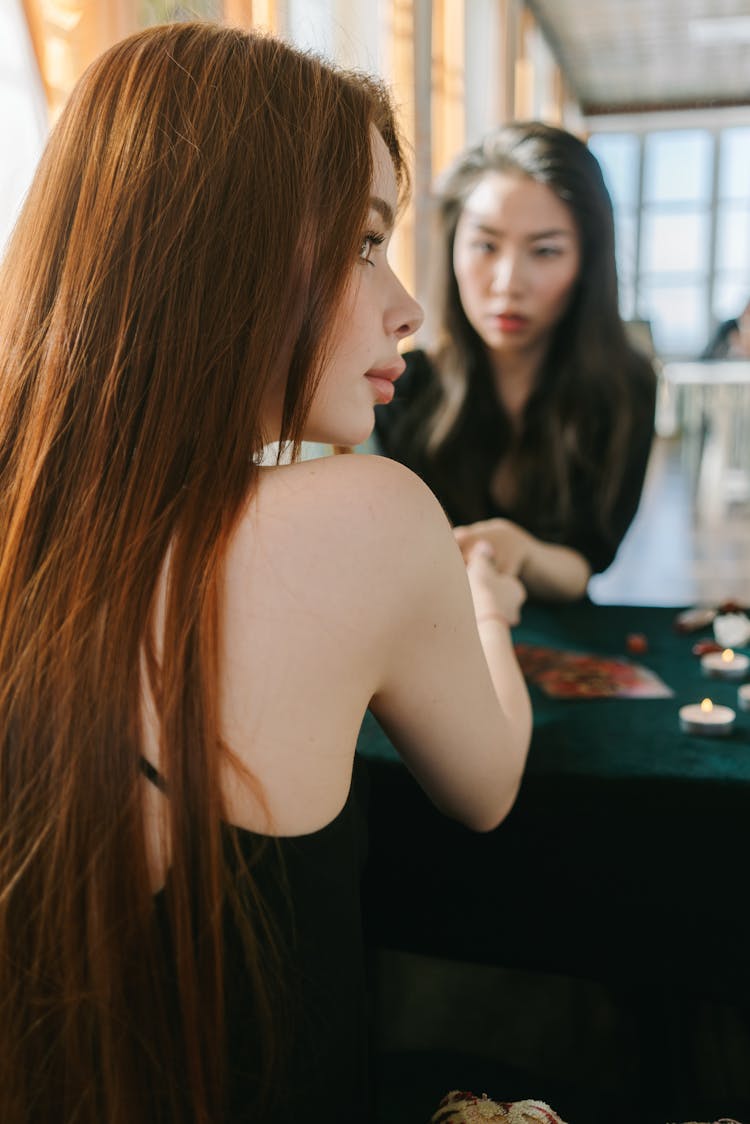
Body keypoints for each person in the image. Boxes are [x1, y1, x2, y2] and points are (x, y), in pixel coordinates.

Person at [0, 22, 532, 1124]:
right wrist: (485, 601)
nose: (409, 306)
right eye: (361, 243)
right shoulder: (372, 517)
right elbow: (486, 786)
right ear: (216, 245)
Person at [375, 122, 657, 602]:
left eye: (545, 251)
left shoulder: (624, 387)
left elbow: (586, 562)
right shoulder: (401, 382)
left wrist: (521, 550)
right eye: (486, 246)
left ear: (586, 264)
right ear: (453, 251)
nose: (508, 283)